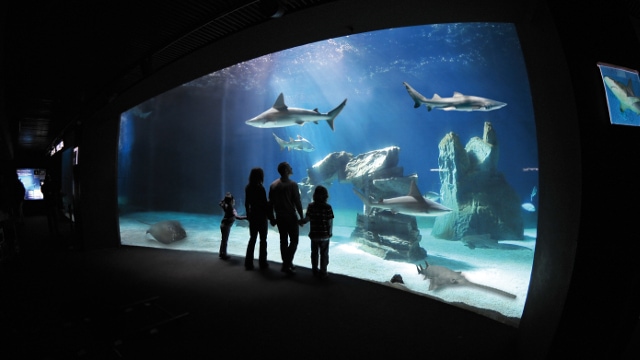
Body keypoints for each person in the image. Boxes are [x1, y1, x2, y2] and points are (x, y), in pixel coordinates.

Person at [269, 162, 303, 274]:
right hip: (290, 217)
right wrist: (301, 217)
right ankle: (287, 263)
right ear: (286, 170)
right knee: (294, 240)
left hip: (279, 217)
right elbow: (297, 202)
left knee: (283, 241)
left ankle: (287, 263)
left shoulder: (273, 185)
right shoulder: (293, 184)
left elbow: (270, 204)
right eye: (289, 167)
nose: (291, 168)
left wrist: (271, 218)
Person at [299, 185, 334, 278]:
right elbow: (330, 221)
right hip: (325, 235)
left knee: (314, 253)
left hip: (314, 235)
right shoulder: (328, 207)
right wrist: (329, 233)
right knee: (324, 254)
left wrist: (301, 221)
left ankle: (314, 270)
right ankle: (323, 271)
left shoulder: (311, 206)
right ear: (326, 195)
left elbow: (307, 218)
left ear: (314, 195)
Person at [244, 167, 274, 270]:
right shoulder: (260, 188)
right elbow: (264, 204)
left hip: (253, 215)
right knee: (263, 240)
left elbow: (246, 203)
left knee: (252, 238)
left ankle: (248, 262)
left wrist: (248, 214)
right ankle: (262, 262)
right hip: (261, 216)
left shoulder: (248, 187)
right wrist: (270, 214)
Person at [218, 192, 247, 260]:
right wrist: (247, 217)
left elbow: (220, 203)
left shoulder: (225, 206)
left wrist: (224, 200)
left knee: (223, 240)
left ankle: (221, 253)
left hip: (222, 225)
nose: (234, 201)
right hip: (227, 226)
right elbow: (238, 217)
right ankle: (224, 254)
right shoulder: (232, 209)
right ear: (231, 201)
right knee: (225, 240)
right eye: (233, 200)